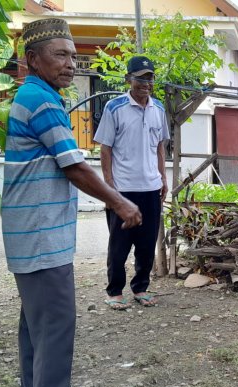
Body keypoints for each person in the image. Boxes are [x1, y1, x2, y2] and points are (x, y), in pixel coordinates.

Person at [2, 18, 142, 387]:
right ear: (32, 59)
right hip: (39, 240)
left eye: (74, 56)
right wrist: (121, 204)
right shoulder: (41, 100)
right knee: (55, 331)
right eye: (60, 55)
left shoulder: (36, 95)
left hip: (34, 236)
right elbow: (75, 167)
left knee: (38, 332)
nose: (70, 64)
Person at [94, 56, 170, 310]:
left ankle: (141, 287)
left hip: (151, 187)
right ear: (128, 79)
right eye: (140, 78)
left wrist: (163, 177)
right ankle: (114, 291)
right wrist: (109, 187)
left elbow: (160, 147)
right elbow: (105, 149)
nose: (145, 83)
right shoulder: (114, 108)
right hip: (123, 189)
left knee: (147, 243)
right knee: (119, 243)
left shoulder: (158, 109)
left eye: (149, 78)